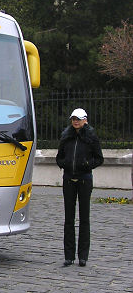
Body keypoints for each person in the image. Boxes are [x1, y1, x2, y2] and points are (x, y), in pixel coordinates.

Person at [56, 108, 104, 267]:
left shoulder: (91, 137)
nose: (75, 121)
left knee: (84, 218)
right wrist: (64, 163)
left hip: (84, 179)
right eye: (73, 119)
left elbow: (99, 158)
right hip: (69, 179)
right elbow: (59, 156)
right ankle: (69, 256)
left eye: (78, 119)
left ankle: (83, 256)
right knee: (69, 219)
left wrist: (87, 165)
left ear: (85, 120)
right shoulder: (66, 136)